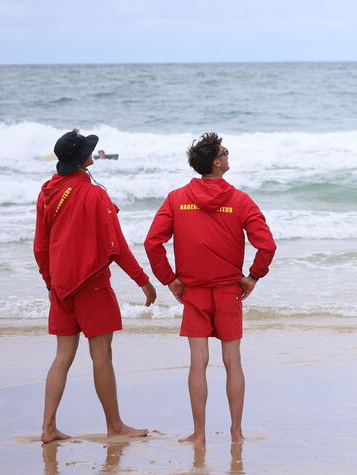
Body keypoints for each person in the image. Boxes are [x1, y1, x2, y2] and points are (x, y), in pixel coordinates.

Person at [143, 132, 277, 444]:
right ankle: (236, 432)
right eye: (225, 153)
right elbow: (267, 245)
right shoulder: (240, 200)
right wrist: (253, 277)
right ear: (216, 163)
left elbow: (153, 243)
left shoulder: (177, 199)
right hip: (229, 291)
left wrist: (170, 279)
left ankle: (200, 433)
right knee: (233, 361)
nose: (229, 156)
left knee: (198, 362)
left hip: (194, 292)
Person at [33, 129, 157, 443]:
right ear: (82, 160)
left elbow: (40, 247)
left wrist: (52, 283)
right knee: (101, 356)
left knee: (62, 357)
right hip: (93, 285)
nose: (93, 151)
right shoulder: (95, 194)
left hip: (61, 288)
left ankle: (48, 427)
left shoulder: (47, 192)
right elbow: (116, 246)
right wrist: (144, 282)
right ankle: (114, 425)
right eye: (88, 149)